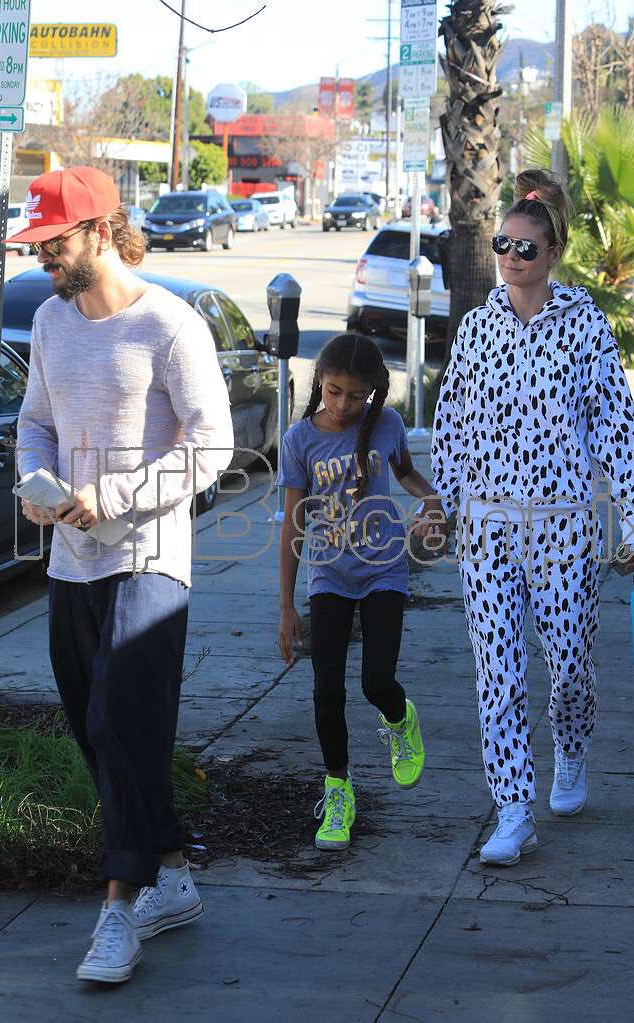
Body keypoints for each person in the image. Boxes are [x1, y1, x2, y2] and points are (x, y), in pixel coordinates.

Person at [7, 166, 234, 983]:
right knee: (97, 728)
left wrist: (116, 494)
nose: (43, 258)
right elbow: (35, 422)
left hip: (149, 558)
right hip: (72, 562)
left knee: (119, 720)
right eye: (37, 244)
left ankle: (118, 912)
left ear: (101, 232)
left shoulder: (171, 326)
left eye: (54, 242)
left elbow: (212, 444)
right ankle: (171, 872)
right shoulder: (50, 322)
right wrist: (35, 484)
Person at [431, 168, 634, 867]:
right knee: (497, 671)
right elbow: (452, 422)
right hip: (489, 525)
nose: (510, 256)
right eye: (502, 244)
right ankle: (513, 809)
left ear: (553, 252)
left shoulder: (585, 326)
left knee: (569, 667)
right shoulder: (476, 329)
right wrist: (444, 503)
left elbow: (615, 422)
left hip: (563, 524)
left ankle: (572, 748)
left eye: (525, 247)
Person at [277, 334, 443, 851]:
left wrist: (433, 501)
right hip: (329, 575)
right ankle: (338, 790)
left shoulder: (387, 424)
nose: (343, 404)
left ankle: (400, 717)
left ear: (372, 391)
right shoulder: (299, 440)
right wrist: (286, 607)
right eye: (333, 392)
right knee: (327, 689)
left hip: (382, 570)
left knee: (376, 681)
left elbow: (407, 473)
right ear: (319, 383)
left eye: (355, 395)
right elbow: (293, 525)